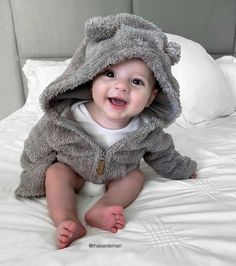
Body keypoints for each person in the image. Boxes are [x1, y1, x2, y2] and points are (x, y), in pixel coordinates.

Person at [15, 13, 197, 249]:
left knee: (135, 176)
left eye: (136, 82)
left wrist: (181, 169)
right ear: (91, 79)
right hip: (75, 174)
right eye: (110, 74)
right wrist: (32, 177)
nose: (121, 86)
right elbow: (37, 145)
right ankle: (67, 219)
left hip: (116, 176)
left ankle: (102, 209)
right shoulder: (67, 118)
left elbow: (164, 153)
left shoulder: (145, 129)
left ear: (151, 97)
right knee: (56, 172)